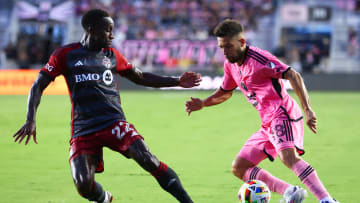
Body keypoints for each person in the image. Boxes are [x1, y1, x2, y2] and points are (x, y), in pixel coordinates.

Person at [13, 9, 201, 203]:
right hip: (83, 128)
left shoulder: (112, 56)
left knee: (147, 158)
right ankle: (104, 198)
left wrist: (176, 81)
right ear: (91, 30)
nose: (112, 35)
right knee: (83, 185)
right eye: (108, 30)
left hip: (113, 122)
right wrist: (30, 119)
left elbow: (141, 77)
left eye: (113, 30)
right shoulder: (65, 55)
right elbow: (38, 85)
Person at [185, 19, 339, 203]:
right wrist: (203, 103)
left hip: (283, 114)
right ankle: (291, 192)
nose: (225, 52)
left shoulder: (259, 59)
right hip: (267, 122)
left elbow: (293, 74)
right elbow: (225, 92)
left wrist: (308, 109)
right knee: (239, 168)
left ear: (241, 42)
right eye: (221, 47)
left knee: (288, 157)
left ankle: (327, 200)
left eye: (228, 46)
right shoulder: (230, 64)